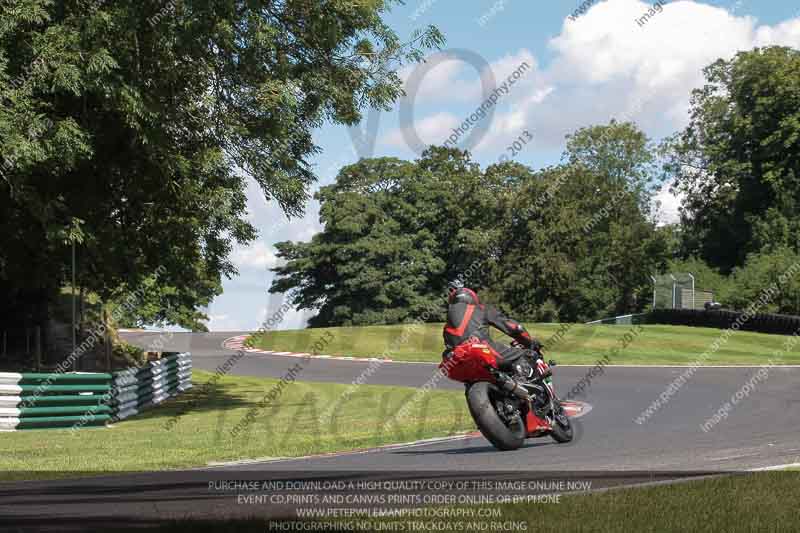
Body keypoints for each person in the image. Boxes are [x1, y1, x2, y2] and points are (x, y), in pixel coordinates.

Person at [443, 284, 543, 370]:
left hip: (456, 360)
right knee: (530, 355)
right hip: (485, 351)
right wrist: (530, 343)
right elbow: (514, 327)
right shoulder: (482, 309)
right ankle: (522, 383)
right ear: (473, 299)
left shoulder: (447, 325)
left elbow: (448, 346)